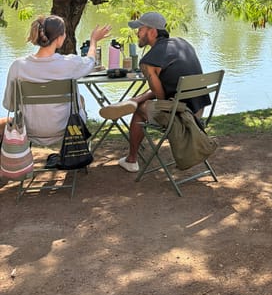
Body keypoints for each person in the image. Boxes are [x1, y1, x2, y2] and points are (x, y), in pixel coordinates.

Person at [116, 10, 210, 173]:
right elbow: (171, 88)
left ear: (152, 32)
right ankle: (137, 101)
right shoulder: (182, 43)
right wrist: (141, 97)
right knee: (143, 102)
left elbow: (161, 99)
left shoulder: (148, 62)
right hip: (198, 111)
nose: (137, 33)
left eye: (140, 29)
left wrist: (139, 102)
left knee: (140, 110)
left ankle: (131, 160)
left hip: (180, 116)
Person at [1, 15, 111, 145]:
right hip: (67, 129)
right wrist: (93, 41)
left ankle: (18, 160)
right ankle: (74, 155)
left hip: (28, 129)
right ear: (59, 38)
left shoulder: (18, 66)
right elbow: (90, 61)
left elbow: (9, 105)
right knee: (80, 100)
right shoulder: (70, 63)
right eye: (64, 33)